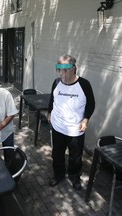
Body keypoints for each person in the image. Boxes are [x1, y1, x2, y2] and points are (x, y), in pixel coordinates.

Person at [47, 55, 95, 190]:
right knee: (57, 154)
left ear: (74, 69)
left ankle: (74, 177)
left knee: (75, 157)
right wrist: (49, 112)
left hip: (75, 129)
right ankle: (58, 175)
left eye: (65, 70)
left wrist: (86, 119)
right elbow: (52, 100)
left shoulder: (84, 84)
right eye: (59, 70)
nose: (62, 73)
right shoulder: (56, 83)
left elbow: (91, 104)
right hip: (58, 127)